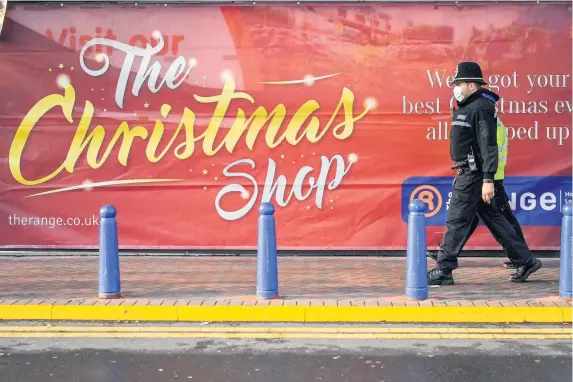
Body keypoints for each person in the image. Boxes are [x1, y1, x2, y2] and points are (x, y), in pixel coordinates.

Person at [427, 61, 542, 286]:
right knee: (494, 219)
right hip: (471, 172)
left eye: (459, 83)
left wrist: (488, 179)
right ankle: (524, 260)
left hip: (473, 174)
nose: (456, 87)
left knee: (457, 219)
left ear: (472, 84)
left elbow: (488, 144)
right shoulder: (468, 106)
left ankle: (444, 269)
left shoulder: (481, 107)